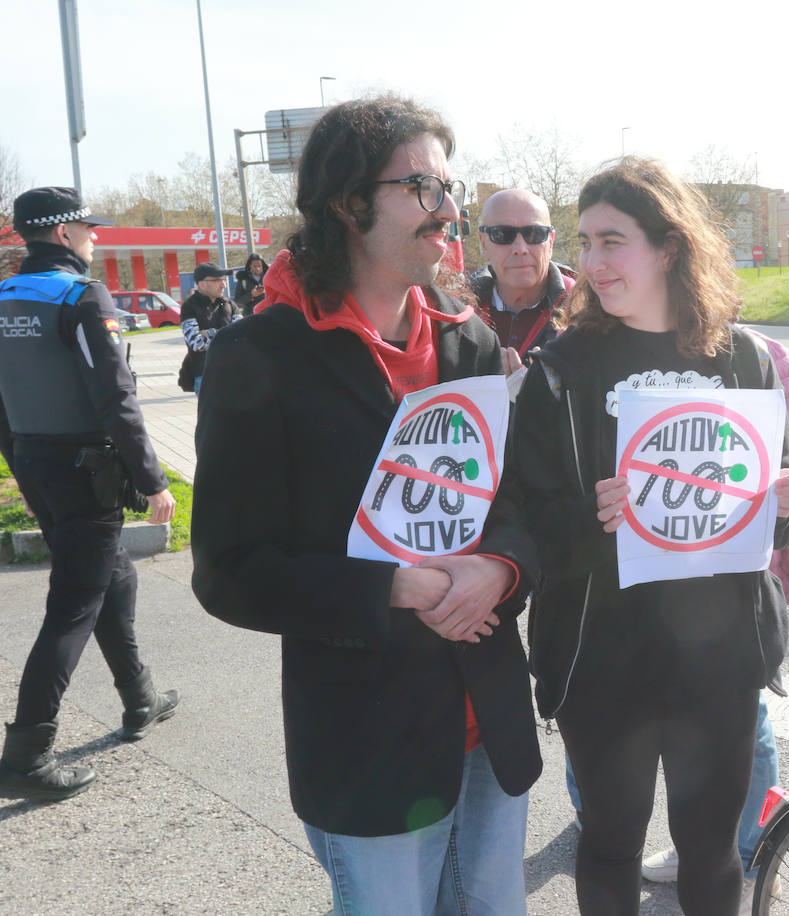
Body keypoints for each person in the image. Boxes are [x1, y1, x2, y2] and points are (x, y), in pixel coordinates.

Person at [190, 96, 540, 915]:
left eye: (448, 187)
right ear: (349, 202)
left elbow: (517, 501)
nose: (450, 210)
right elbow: (231, 571)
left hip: (488, 718)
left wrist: (500, 566)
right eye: (423, 186)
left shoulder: (471, 340)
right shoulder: (261, 355)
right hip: (368, 742)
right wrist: (391, 586)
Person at [509, 157, 789, 915]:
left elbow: (784, 472)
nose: (594, 263)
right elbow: (522, 521)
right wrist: (590, 517)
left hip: (720, 656)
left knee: (713, 850)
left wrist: (783, 501)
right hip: (605, 653)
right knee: (610, 843)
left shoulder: (741, 357)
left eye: (614, 241)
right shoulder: (561, 372)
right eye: (587, 242)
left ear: (669, 247)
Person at [0, 186, 178, 802]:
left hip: (34, 461)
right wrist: (153, 480)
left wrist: (20, 461)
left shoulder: (2, 296)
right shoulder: (79, 295)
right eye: (88, 228)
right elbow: (115, 395)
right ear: (64, 234)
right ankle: (27, 753)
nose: (95, 237)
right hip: (83, 469)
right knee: (75, 602)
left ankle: (140, 698)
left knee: (113, 575)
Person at [640, 325, 789, 884]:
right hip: (654, 575)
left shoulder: (753, 352)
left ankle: (745, 836)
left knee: (743, 713)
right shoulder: (610, 348)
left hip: (731, 573)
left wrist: (750, 488)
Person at [470, 188, 575, 374]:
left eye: (534, 234)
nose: (520, 248)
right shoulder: (456, 314)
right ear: (483, 244)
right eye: (502, 234)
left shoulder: (585, 311)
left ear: (550, 242)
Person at [178, 262, 239, 395]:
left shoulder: (230, 305)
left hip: (234, 373)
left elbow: (242, 338)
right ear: (202, 284)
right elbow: (196, 343)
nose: (224, 284)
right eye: (218, 280)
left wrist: (210, 333)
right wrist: (227, 336)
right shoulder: (189, 307)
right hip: (205, 376)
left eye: (224, 280)